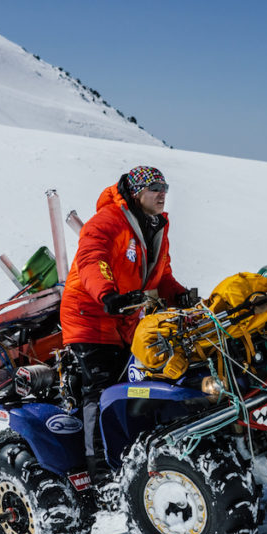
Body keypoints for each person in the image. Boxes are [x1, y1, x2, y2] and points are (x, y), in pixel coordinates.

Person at [60, 165, 190, 481]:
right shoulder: (106, 222)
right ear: (136, 193)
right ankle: (100, 469)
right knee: (101, 389)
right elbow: (92, 261)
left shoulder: (156, 226)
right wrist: (108, 295)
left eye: (164, 187)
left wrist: (181, 297)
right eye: (154, 188)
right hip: (89, 317)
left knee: (142, 383)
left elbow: (163, 278)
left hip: (127, 321)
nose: (162, 193)